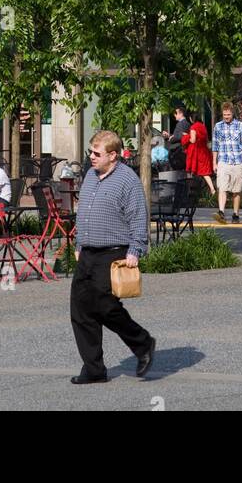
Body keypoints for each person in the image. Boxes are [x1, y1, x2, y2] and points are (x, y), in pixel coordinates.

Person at [70, 130, 154, 385]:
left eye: (97, 153)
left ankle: (143, 343)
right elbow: (83, 211)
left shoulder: (127, 180)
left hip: (113, 253)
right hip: (88, 253)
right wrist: (79, 242)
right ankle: (94, 368)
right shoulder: (91, 176)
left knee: (105, 306)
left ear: (113, 155)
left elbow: (138, 216)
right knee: (80, 309)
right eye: (90, 152)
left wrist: (135, 250)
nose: (92, 157)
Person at [212, 102, 242, 224]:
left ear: (232, 113)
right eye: (224, 115)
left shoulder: (241, 126)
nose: (226, 117)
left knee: (236, 190)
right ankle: (221, 212)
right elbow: (215, 146)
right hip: (223, 160)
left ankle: (235, 214)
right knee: (222, 187)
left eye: (228, 114)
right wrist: (214, 162)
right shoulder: (218, 126)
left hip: (238, 161)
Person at [181, 112, 216, 199]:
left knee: (193, 170)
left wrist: (186, 136)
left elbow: (192, 140)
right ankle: (212, 189)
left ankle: (190, 191)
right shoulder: (202, 126)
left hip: (196, 152)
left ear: (192, 119)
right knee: (204, 172)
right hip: (204, 151)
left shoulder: (193, 127)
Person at [167, 104, 191, 173]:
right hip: (181, 150)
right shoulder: (187, 123)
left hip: (177, 151)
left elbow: (179, 136)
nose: (175, 115)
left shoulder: (181, 124)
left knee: (177, 172)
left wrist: (171, 138)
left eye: (176, 113)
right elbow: (180, 135)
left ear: (181, 114)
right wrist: (170, 136)